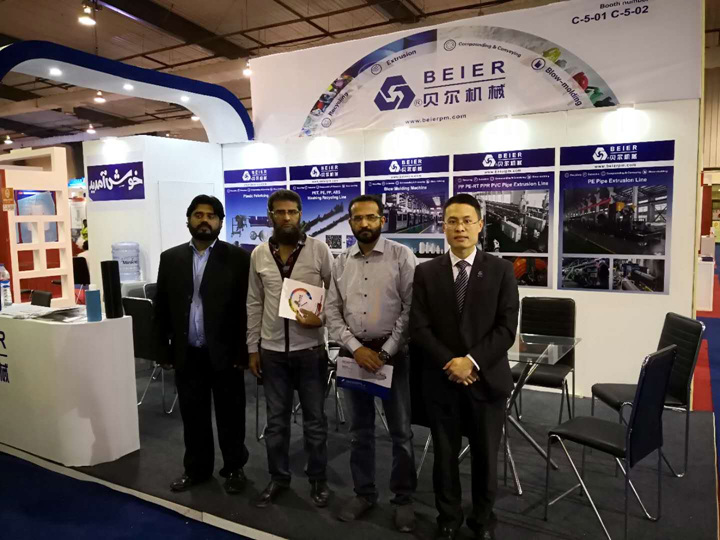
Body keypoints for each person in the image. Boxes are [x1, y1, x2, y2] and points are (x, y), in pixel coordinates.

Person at [410, 193, 519, 540]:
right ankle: (448, 518)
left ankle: (483, 520)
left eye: (467, 221)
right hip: (442, 380)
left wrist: (470, 362)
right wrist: (451, 362)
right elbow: (419, 328)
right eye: (453, 221)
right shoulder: (426, 272)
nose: (460, 228)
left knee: (486, 457)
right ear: (443, 227)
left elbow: (506, 329)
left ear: (480, 225)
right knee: (444, 456)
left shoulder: (501, 270)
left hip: (486, 381)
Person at [325, 195, 417, 532]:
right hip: (353, 357)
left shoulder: (401, 256)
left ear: (382, 220)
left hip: (393, 358)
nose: (364, 224)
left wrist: (386, 352)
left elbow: (411, 309)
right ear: (350, 222)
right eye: (358, 218)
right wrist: (354, 348)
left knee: (401, 432)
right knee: (359, 431)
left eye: (371, 217)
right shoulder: (341, 261)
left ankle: (403, 499)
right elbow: (331, 311)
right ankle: (364, 493)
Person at [154, 195, 251, 494]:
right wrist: (163, 349)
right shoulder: (170, 258)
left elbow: (246, 309)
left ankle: (234, 468)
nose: (204, 220)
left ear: (220, 222)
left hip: (226, 354)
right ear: (189, 220)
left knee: (231, 415)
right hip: (188, 353)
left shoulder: (238, 258)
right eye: (198, 215)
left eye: (211, 216)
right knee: (193, 415)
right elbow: (162, 308)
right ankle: (196, 469)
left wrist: (244, 351)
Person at [247, 189, 333, 508]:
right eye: (280, 212)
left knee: (315, 421)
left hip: (310, 351)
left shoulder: (319, 250)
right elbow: (254, 302)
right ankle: (278, 478)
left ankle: (318, 479)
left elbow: (336, 294)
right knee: (276, 423)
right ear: (270, 215)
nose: (286, 218)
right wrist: (252, 348)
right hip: (271, 353)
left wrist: (321, 319)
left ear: (300, 215)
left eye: (292, 212)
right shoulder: (259, 254)